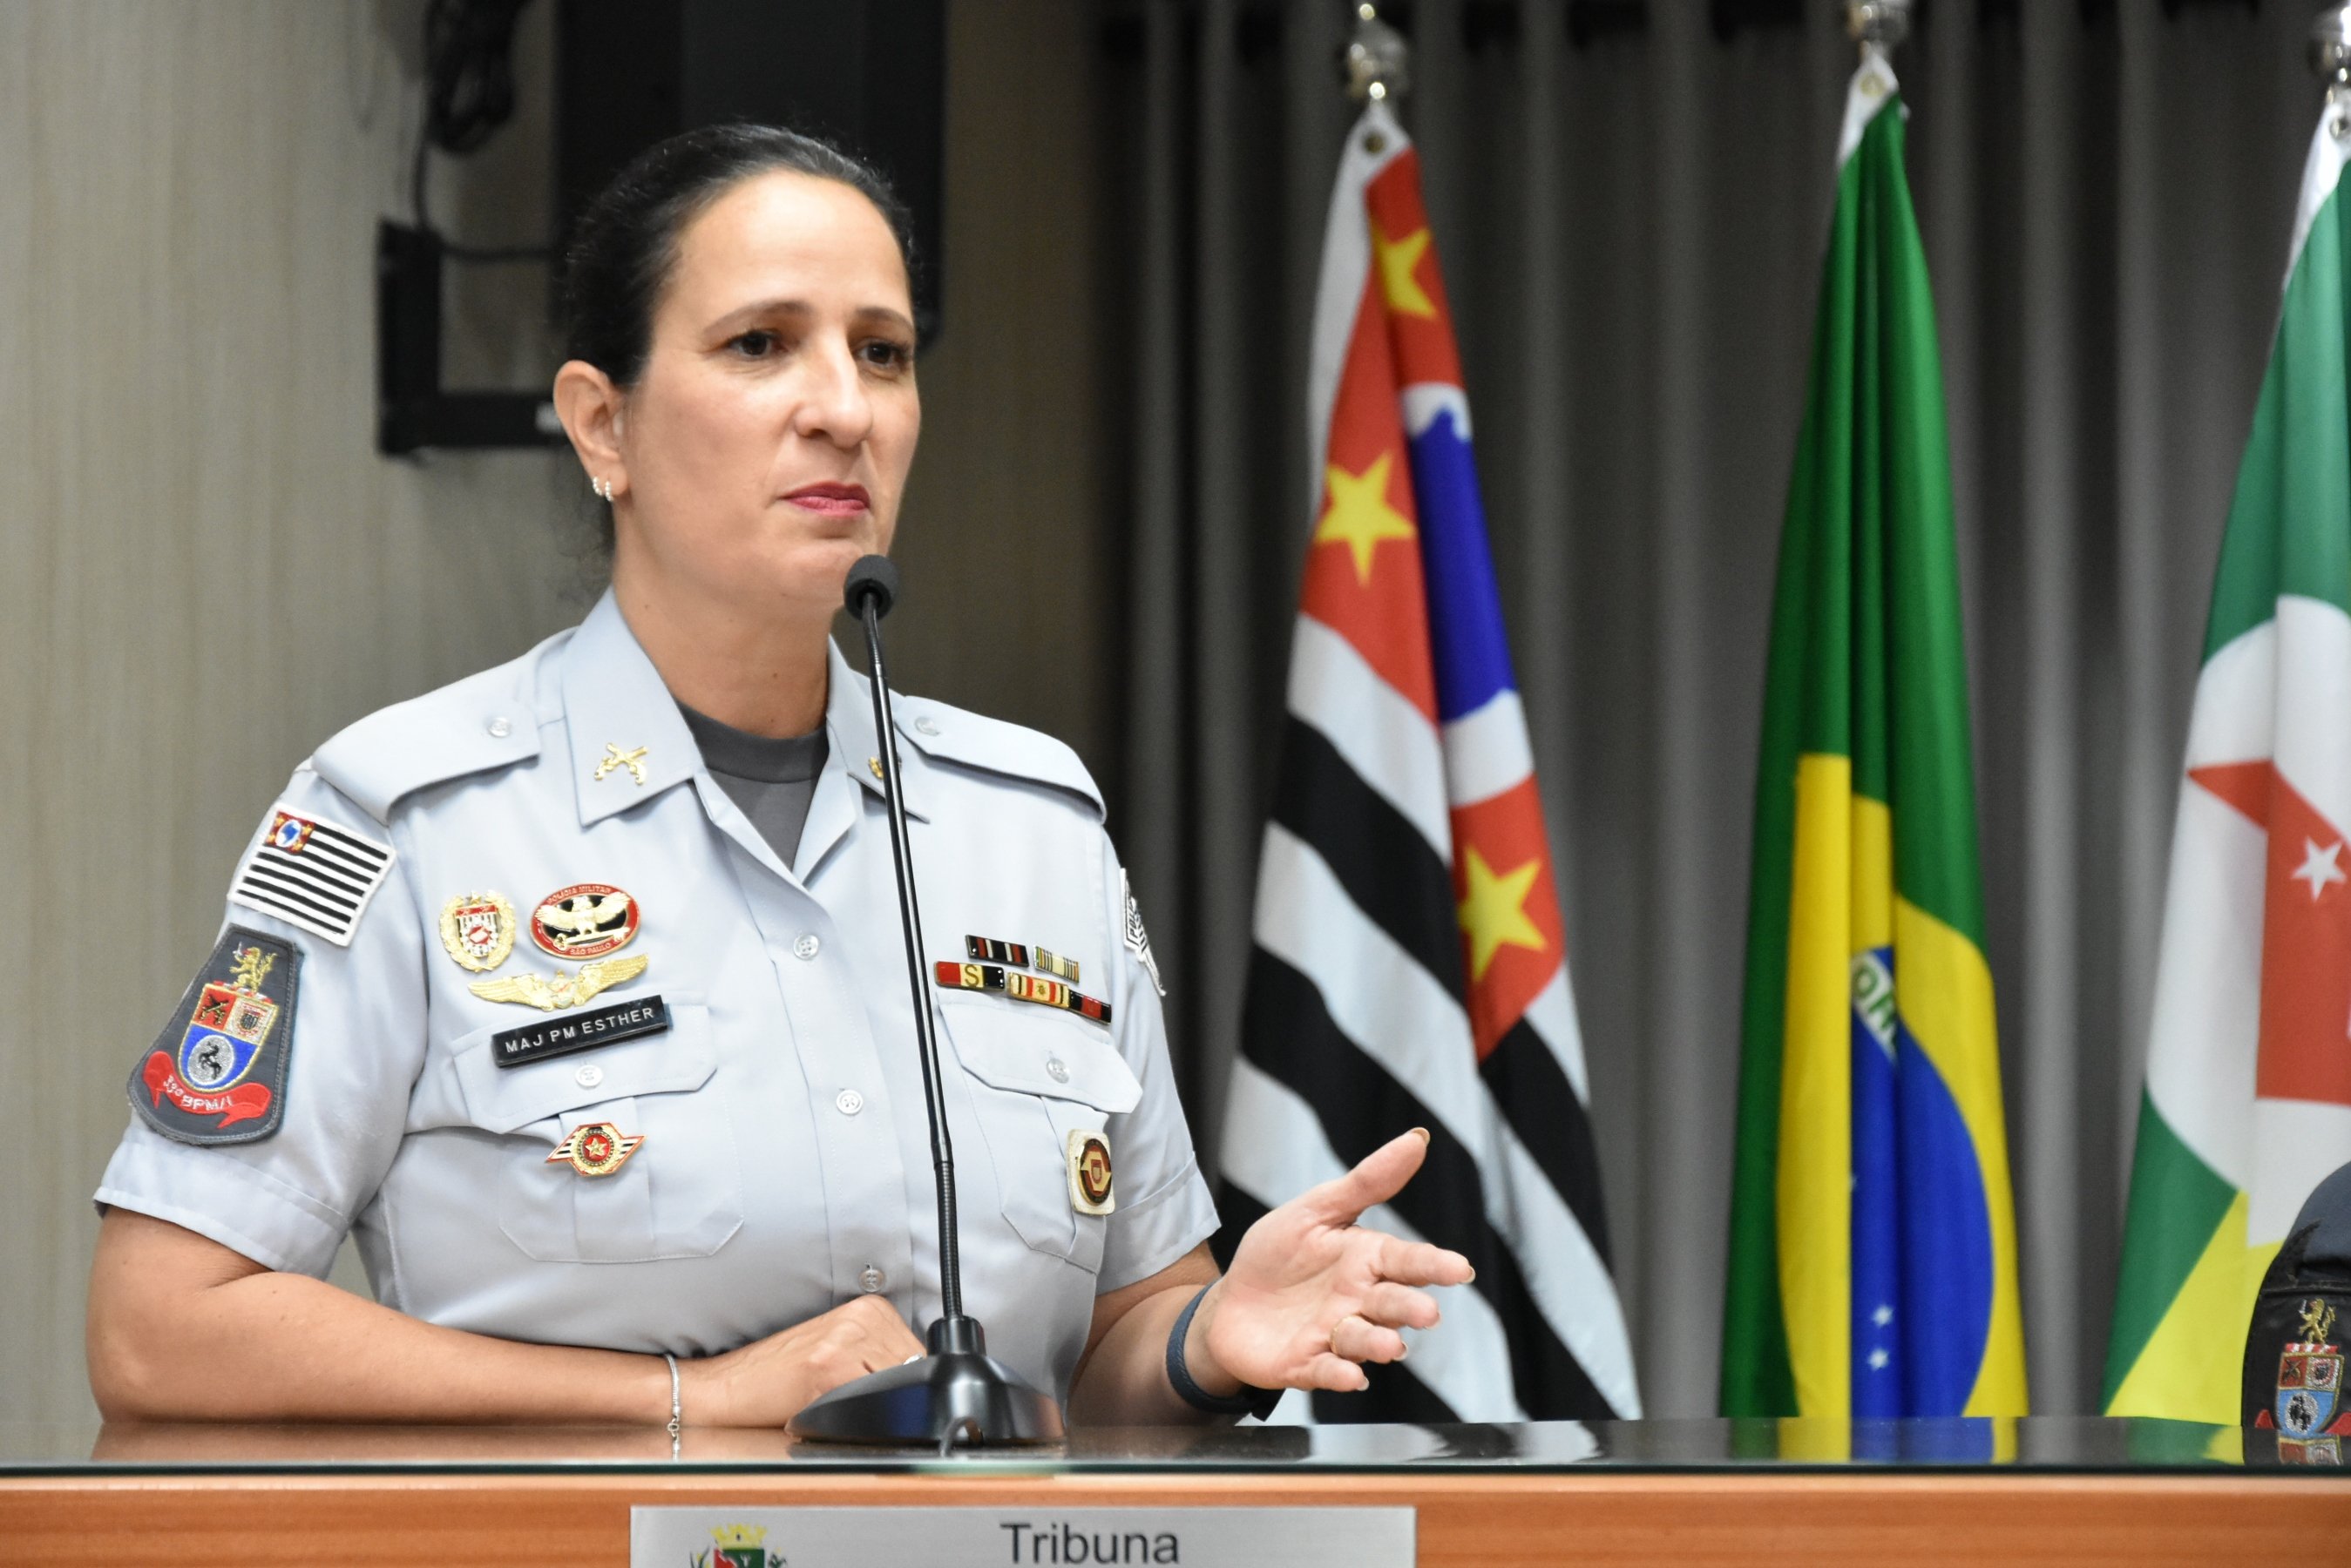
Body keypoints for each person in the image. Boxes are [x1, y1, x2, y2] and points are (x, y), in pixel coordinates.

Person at [85, 125, 1470, 1429]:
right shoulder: (415, 817)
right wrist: (689, 1403)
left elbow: (1105, 1351)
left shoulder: (1031, 826)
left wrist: (1202, 1341)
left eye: (883, 353)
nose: (843, 410)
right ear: (602, 426)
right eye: (760, 344)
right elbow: (161, 1330)